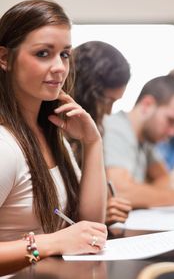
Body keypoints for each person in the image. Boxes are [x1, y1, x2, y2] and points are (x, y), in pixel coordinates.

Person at [0, 0, 107, 276]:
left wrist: (92, 143)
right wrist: (52, 242)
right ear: (3, 58)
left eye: (65, 54)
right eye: (43, 53)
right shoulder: (4, 145)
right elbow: (65, 239)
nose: (60, 67)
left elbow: (91, 230)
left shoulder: (49, 130)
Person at [103, 75, 174, 209]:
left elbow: (168, 181)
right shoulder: (116, 128)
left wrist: (140, 191)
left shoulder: (146, 140)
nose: (173, 132)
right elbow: (119, 191)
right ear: (147, 105)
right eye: (170, 120)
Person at [72, 41, 132, 225]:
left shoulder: (94, 132)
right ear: (87, 92)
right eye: (107, 100)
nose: (108, 112)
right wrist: (93, 215)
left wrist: (101, 208)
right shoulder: (58, 132)